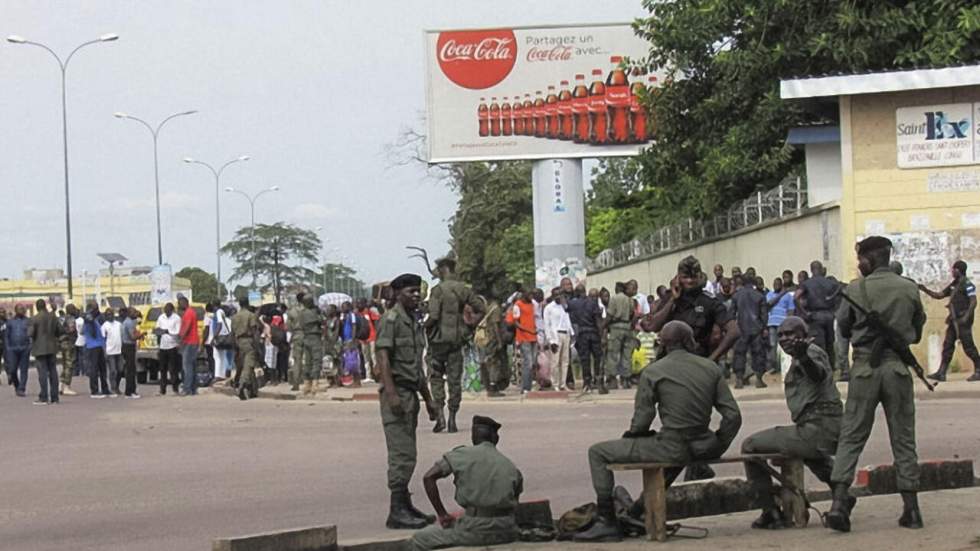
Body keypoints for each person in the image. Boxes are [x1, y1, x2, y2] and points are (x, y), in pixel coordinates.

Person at [575, 321, 742, 542]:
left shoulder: (654, 371)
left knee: (597, 452)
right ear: (688, 341)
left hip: (672, 447)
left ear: (662, 344)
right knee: (672, 453)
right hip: (703, 445)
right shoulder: (710, 367)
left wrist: (634, 435)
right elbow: (733, 416)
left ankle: (606, 521)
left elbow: (642, 419)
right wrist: (718, 443)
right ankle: (636, 513)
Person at [826, 236, 926, 533]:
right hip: (897, 369)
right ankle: (912, 510)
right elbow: (917, 332)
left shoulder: (856, 289)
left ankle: (839, 504)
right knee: (904, 439)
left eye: (861, 260)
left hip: (865, 369)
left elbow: (843, 328)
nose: (859, 265)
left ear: (868, 260)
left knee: (851, 436)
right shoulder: (908, 287)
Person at [742, 316, 844, 528]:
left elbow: (817, 374)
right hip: (821, 429)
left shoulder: (810, 353)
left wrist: (804, 357)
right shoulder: (804, 354)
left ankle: (769, 510)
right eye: (780, 335)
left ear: (804, 336)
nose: (784, 339)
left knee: (749, 445)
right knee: (809, 453)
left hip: (817, 429)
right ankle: (842, 495)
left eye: (790, 334)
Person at [375, 273, 439, 530]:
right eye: (411, 291)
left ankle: (405, 504)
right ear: (398, 293)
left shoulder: (412, 323)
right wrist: (391, 394)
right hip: (397, 392)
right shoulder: (391, 320)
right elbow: (383, 358)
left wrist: (429, 400)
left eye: (417, 291)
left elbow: (417, 367)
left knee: (409, 453)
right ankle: (397, 510)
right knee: (402, 455)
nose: (416, 295)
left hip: (410, 392)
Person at [408, 415, 523, 551]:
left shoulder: (462, 455)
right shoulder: (510, 466)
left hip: (474, 528)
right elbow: (514, 503)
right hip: (506, 530)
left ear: (474, 437)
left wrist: (442, 514)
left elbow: (429, 477)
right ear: (495, 438)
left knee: (420, 539)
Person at [424, 257, 484, 434]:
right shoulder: (463, 290)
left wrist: (423, 327)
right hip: (457, 340)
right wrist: (470, 325)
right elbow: (481, 308)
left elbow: (433, 316)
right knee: (454, 380)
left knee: (435, 377)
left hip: (438, 342)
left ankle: (440, 415)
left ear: (443, 269)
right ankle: (452, 419)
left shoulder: (438, 290)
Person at [642, 256, 739, 363]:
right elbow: (651, 327)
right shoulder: (669, 298)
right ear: (678, 278)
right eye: (685, 277)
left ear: (699, 277)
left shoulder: (709, 301)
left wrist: (711, 359)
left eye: (693, 277)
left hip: (696, 362)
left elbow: (734, 331)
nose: (690, 281)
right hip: (669, 363)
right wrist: (672, 300)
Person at [919, 260, 980, 382]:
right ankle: (941, 373)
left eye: (953, 269)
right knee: (947, 346)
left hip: (963, 321)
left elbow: (973, 301)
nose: (952, 271)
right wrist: (924, 289)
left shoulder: (967, 284)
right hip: (953, 320)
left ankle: (978, 370)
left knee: (969, 347)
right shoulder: (954, 284)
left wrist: (966, 317)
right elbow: (940, 295)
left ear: (958, 270)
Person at [732, 271, 768, 389]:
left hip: (741, 327)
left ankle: (739, 379)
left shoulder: (737, 295)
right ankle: (759, 379)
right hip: (756, 328)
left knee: (739, 353)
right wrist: (764, 327)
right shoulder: (759, 295)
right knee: (758, 353)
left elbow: (732, 314)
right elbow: (764, 315)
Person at [601, 281, 637, 393]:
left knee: (613, 354)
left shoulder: (614, 299)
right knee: (626, 355)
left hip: (616, 327)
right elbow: (632, 314)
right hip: (627, 327)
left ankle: (612, 380)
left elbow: (610, 315)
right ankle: (625, 379)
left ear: (617, 288)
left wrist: (603, 326)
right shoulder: (630, 299)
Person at [567, 283, 602, 392]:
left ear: (576, 292)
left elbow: (568, 313)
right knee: (597, 357)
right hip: (593, 332)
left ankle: (587, 382)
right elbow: (598, 320)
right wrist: (601, 334)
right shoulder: (593, 303)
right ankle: (598, 379)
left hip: (582, 333)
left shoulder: (573, 304)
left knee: (585, 359)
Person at [29, 299, 63, 405]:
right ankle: (55, 397)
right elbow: (60, 331)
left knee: (42, 373)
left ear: (37, 307)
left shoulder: (34, 318)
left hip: (39, 349)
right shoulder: (53, 317)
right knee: (53, 372)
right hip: (52, 347)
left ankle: (44, 397)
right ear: (45, 306)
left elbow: (30, 333)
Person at [505, 287, 537, 395]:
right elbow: (515, 322)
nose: (532, 297)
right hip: (524, 337)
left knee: (533, 363)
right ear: (524, 295)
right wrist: (528, 330)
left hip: (533, 337)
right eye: (530, 294)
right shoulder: (518, 305)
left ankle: (529, 385)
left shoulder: (532, 304)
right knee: (528, 363)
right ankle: (525, 387)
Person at [544, 292, 574, 391]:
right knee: (555, 361)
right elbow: (547, 325)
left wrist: (572, 333)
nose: (558, 297)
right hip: (555, 335)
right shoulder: (549, 308)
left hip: (566, 334)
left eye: (560, 295)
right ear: (552, 296)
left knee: (565, 361)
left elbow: (567, 320)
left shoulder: (564, 306)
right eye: (556, 295)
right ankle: (555, 383)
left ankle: (563, 384)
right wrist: (550, 340)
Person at [231, 297, 260, 400]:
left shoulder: (234, 317)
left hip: (238, 341)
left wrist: (234, 346)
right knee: (249, 365)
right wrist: (256, 344)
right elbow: (254, 330)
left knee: (244, 364)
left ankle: (252, 389)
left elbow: (232, 333)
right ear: (247, 304)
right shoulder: (251, 315)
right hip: (248, 341)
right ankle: (242, 384)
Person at [765, 277, 796, 374]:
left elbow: (791, 310)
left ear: (781, 284)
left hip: (783, 324)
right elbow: (769, 303)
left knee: (785, 345)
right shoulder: (769, 294)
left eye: (778, 284)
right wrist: (782, 293)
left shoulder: (788, 296)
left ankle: (787, 367)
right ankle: (774, 367)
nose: (776, 285)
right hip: (772, 324)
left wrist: (788, 324)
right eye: (774, 284)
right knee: (772, 345)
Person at [5, 304, 31, 397]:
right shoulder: (10, 322)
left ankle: (21, 389)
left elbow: (31, 335)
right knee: (12, 370)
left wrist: (29, 347)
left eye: (23, 309)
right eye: (20, 309)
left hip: (24, 348)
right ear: (16, 310)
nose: (22, 310)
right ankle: (17, 385)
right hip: (13, 349)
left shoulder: (28, 321)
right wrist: (8, 348)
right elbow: (6, 336)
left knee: (24, 370)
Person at [83, 303, 109, 398]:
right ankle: (94, 390)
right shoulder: (88, 319)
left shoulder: (96, 320)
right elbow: (86, 318)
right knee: (94, 369)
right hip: (92, 346)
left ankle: (105, 389)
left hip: (99, 345)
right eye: (94, 309)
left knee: (103, 369)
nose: (97, 310)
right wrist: (90, 314)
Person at [300, 294, 324, 395]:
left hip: (306, 337)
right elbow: (321, 320)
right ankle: (315, 384)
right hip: (315, 337)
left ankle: (306, 384)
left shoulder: (302, 313)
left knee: (307, 362)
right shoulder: (313, 313)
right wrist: (318, 312)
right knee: (316, 360)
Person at [357, 297, 381, 383]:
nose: (358, 305)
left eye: (360, 303)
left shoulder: (369, 312)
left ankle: (377, 376)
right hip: (363, 339)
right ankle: (368, 375)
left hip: (372, 337)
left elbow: (378, 319)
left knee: (374, 357)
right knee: (366, 357)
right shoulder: (357, 314)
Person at [286, 292, 307, 391]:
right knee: (309, 359)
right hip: (308, 335)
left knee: (297, 361)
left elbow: (288, 327)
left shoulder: (292, 311)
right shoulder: (308, 310)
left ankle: (296, 383)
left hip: (296, 335)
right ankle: (309, 382)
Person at [101, 308, 124, 397]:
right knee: (113, 370)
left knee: (120, 370)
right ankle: (113, 388)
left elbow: (122, 336)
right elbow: (103, 340)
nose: (110, 316)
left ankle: (117, 387)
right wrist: (104, 351)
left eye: (111, 314)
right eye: (108, 314)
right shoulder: (104, 326)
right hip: (110, 352)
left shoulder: (118, 324)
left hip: (119, 351)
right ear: (106, 316)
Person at [58, 304, 79, 396]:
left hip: (62, 343)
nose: (75, 310)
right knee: (69, 365)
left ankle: (60, 385)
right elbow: (71, 329)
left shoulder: (61, 319)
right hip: (69, 343)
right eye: (74, 309)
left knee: (65, 364)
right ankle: (67, 386)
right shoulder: (71, 319)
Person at [121, 308, 142, 398]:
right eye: (134, 312)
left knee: (130, 369)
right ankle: (130, 391)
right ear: (129, 313)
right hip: (128, 346)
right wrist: (141, 335)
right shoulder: (129, 322)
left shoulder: (129, 322)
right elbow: (133, 336)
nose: (135, 313)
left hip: (126, 346)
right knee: (131, 370)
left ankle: (130, 390)